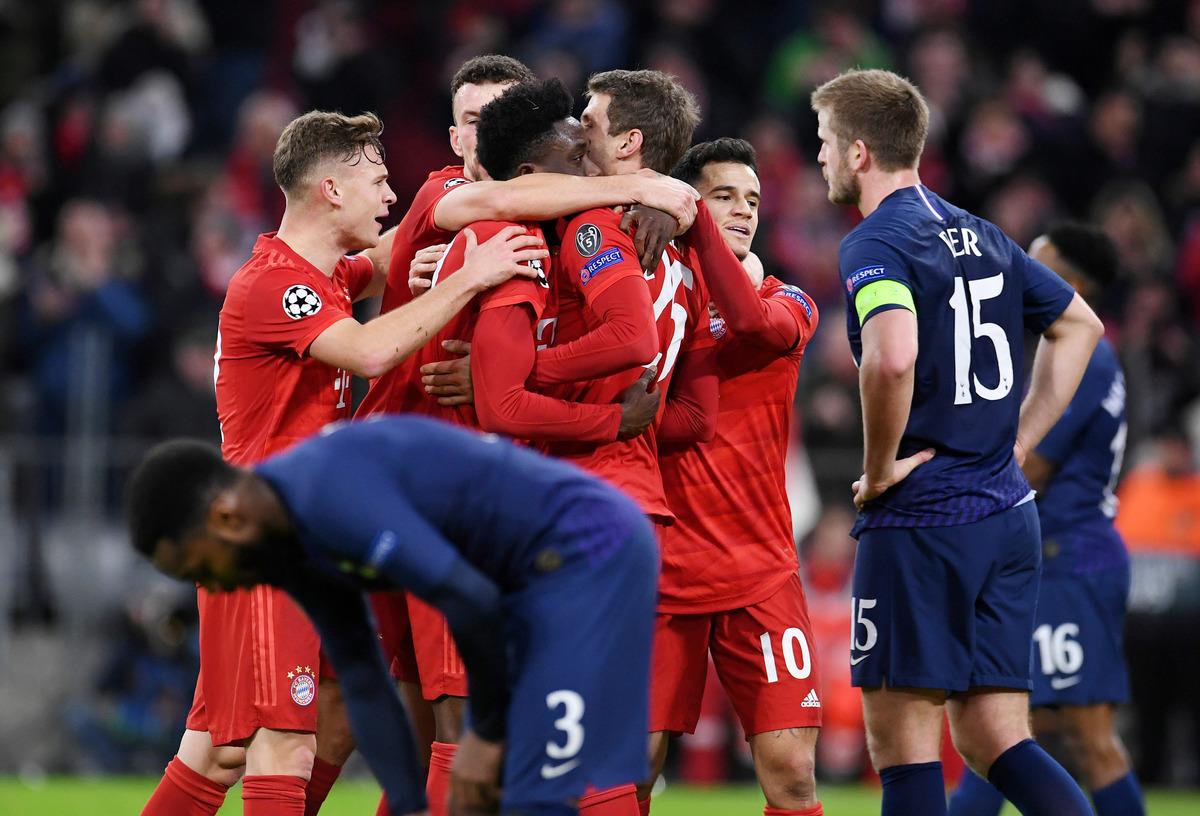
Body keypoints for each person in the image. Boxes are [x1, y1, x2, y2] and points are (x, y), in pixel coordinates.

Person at [139, 109, 546, 816]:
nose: (388, 195)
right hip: (261, 539)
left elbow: (393, 249)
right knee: (282, 745)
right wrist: (472, 275)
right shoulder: (276, 285)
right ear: (331, 189)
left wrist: (454, 198)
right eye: (377, 179)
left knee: (218, 748)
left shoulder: (322, 277)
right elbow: (369, 352)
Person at [355, 57, 696, 815]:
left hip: (441, 482)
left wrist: (670, 204)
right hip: (436, 487)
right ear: (455, 137)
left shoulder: (532, 225)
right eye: (470, 120)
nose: (479, 133)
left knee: (411, 735)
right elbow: (543, 375)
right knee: (473, 726)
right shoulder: (468, 203)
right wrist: (640, 187)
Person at [810, 68, 1104, 816]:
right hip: (1007, 515)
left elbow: (892, 356)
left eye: (825, 143)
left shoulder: (875, 242)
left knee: (902, 748)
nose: (818, 158)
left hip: (923, 520)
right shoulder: (984, 234)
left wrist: (878, 471)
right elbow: (1080, 326)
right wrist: (1019, 442)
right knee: (993, 738)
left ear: (859, 153)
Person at [125, 416, 659, 816]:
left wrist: (485, 736)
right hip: (523, 580)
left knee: (546, 783)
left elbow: (471, 601)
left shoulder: (328, 496)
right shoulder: (290, 541)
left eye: (201, 566)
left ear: (224, 516)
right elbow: (361, 680)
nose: (213, 586)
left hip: (587, 554)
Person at [645, 137, 824, 816]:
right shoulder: (651, 305)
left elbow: (746, 318)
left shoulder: (792, 303)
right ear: (689, 202)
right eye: (724, 196)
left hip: (761, 569)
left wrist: (699, 232)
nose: (744, 211)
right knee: (632, 773)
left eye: (752, 200)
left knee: (793, 775)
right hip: (665, 567)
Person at [947, 224, 1146, 816]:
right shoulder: (1071, 352)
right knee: (1000, 728)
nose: (1019, 272)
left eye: (1036, 262)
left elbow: (1031, 468)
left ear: (1074, 283)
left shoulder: (1085, 356)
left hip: (1071, 563)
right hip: (1052, 561)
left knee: (1086, 738)